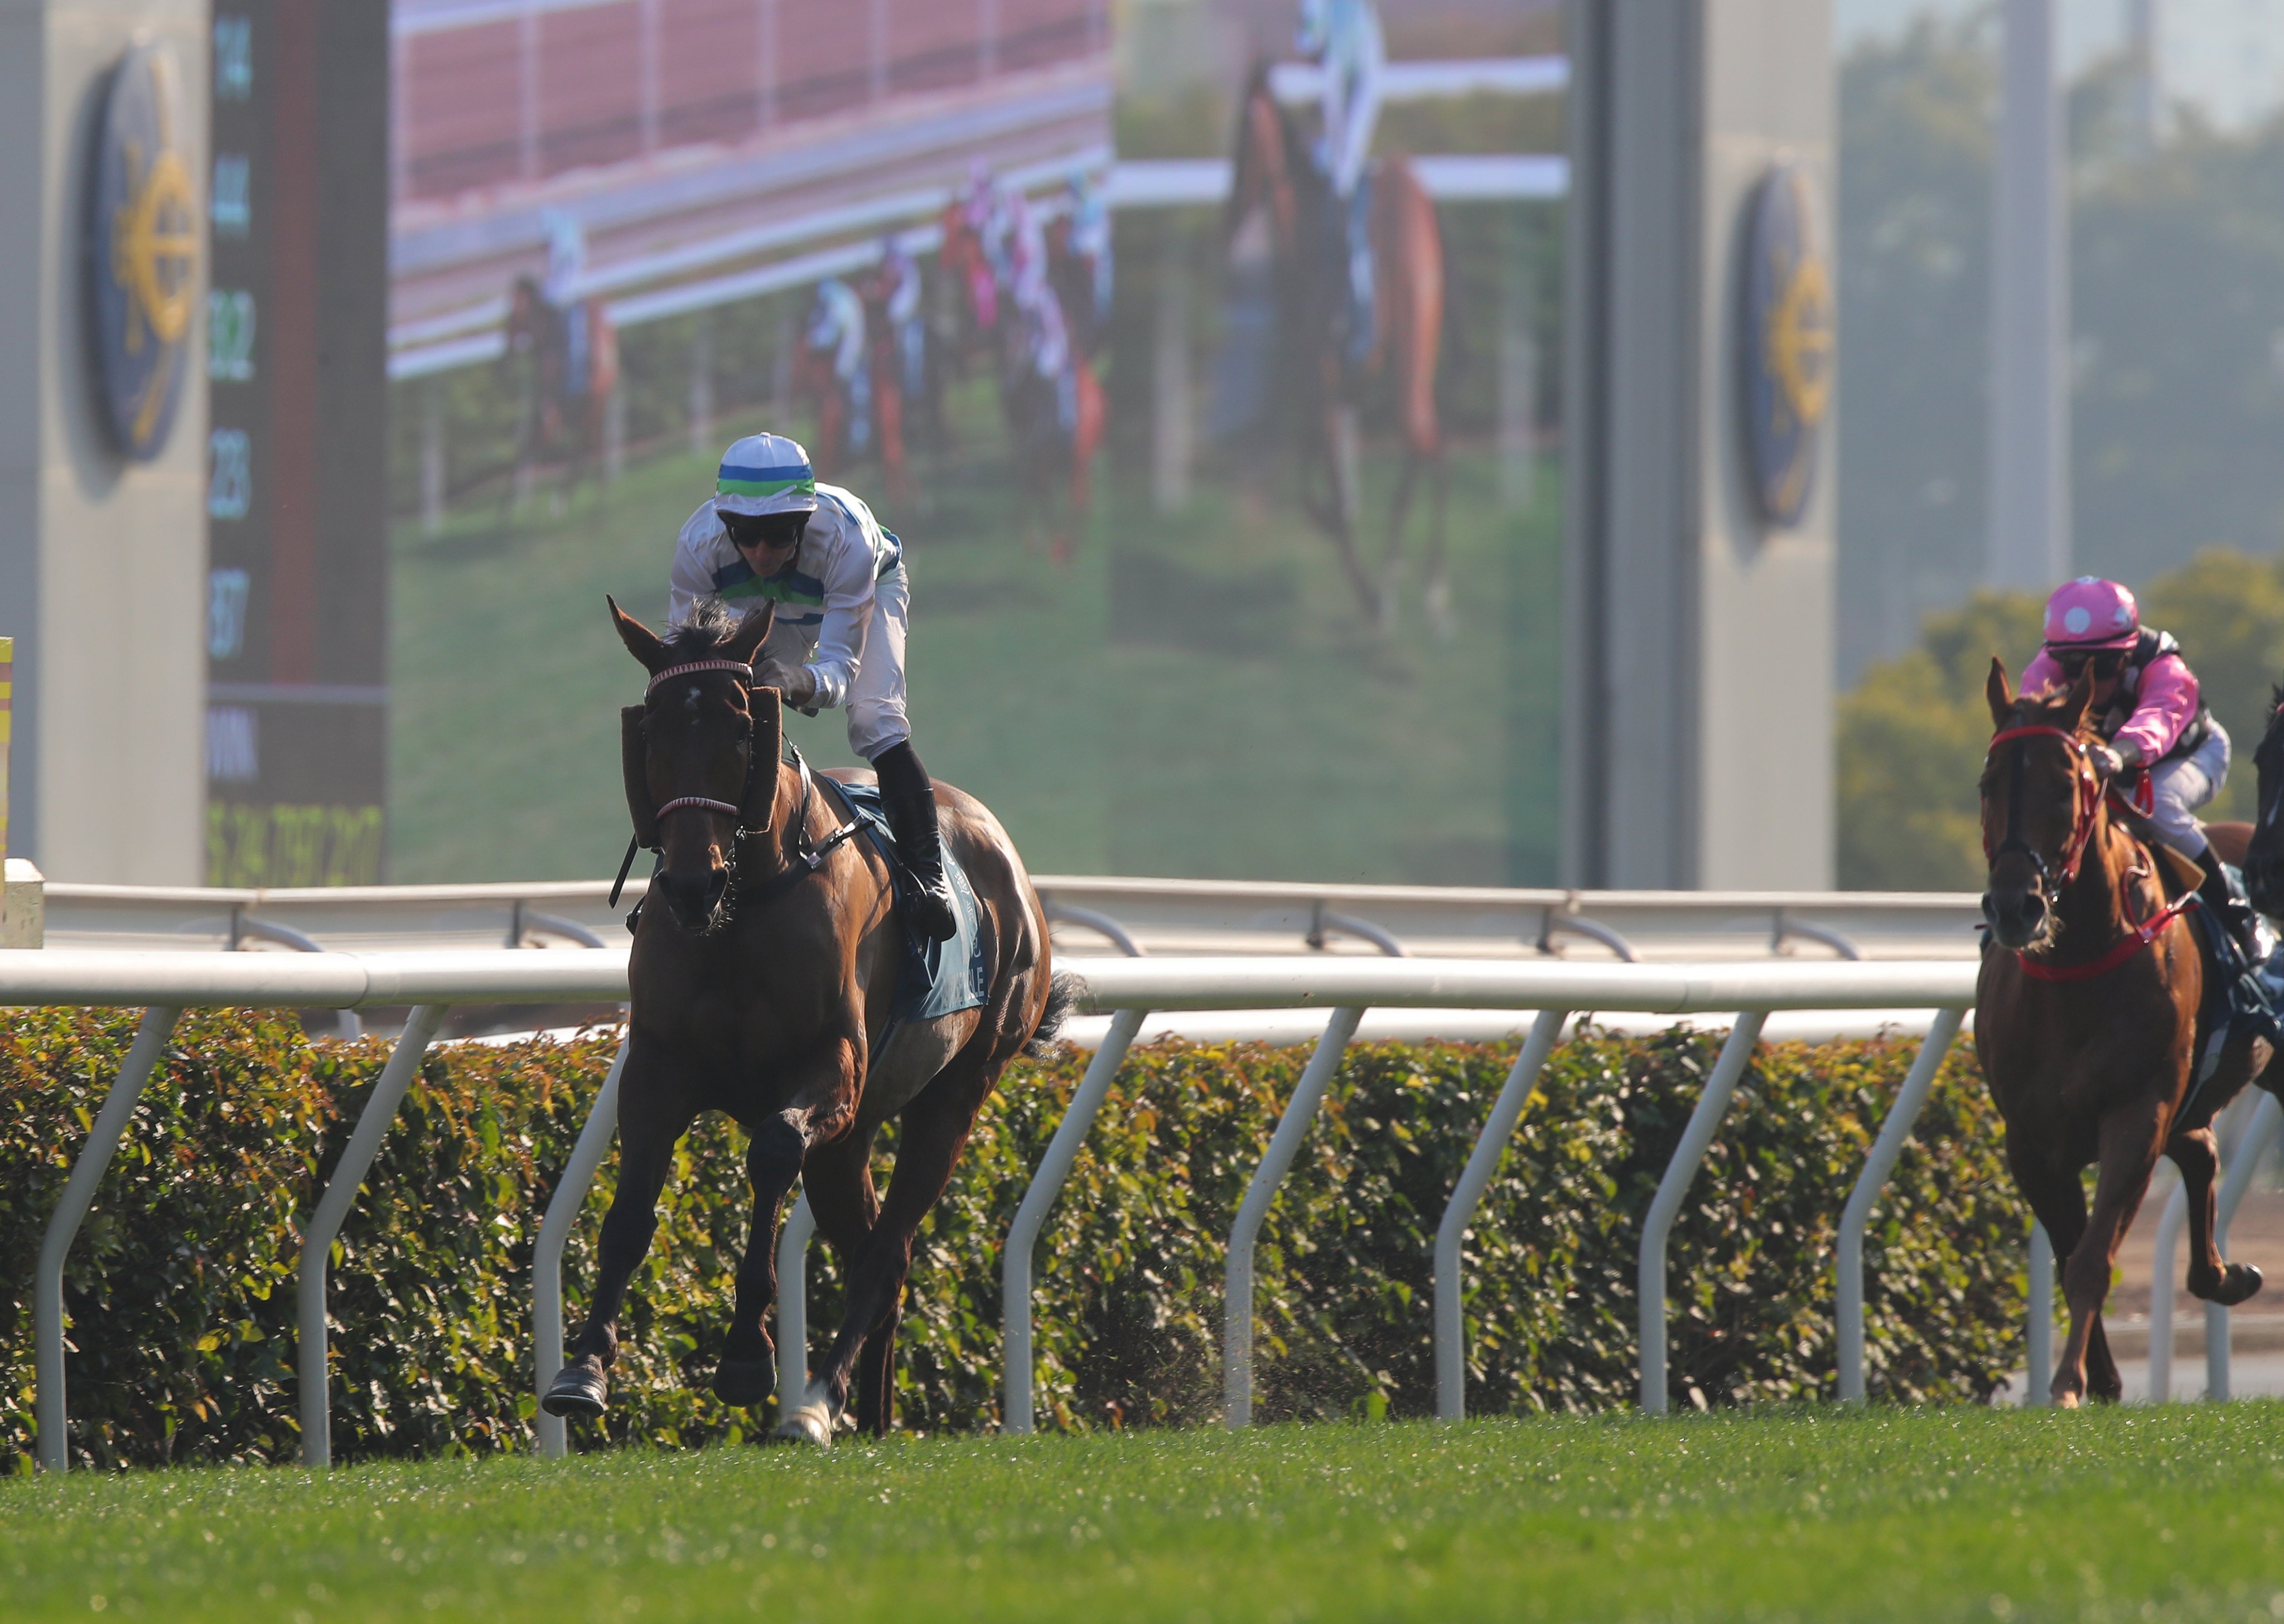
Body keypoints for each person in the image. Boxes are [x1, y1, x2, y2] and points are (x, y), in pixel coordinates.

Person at [668, 432, 957, 941]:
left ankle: (927, 878)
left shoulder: (845, 538)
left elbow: (840, 671)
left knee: (874, 720)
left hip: (865, 585)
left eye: (780, 535)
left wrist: (800, 680)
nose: (761, 552)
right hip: (760, 608)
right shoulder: (697, 546)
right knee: (720, 712)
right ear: (724, 524)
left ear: (804, 521)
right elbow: (690, 669)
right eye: (745, 534)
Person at [2022, 576, 2261, 961]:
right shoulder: (2044, 670)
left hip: (2188, 756)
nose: (2089, 681)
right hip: (2111, 769)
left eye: (2102, 666)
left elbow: (2157, 720)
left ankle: (2236, 913)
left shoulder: (2164, 665)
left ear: (2126, 653)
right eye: (2073, 666)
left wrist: (2117, 755)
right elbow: (2030, 723)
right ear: (2056, 658)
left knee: (2159, 804)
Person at [1296, 0, 1384, 365]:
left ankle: (1362, 312)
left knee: (1344, 183)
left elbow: (1334, 100)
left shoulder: (1340, 45)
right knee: (1329, 164)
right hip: (1347, 71)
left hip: (1363, 73)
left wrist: (1337, 162)